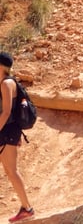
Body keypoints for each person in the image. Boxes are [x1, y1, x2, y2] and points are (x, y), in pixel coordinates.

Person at [0, 51, 34, 222]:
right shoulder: (5, 82)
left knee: (12, 171)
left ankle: (27, 208)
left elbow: (6, 112)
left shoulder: (6, 83)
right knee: (10, 171)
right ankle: (26, 207)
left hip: (6, 132)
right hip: (6, 132)